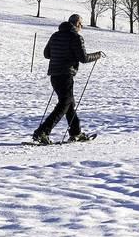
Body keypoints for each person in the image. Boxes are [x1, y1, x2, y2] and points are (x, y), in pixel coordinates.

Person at [32, 14, 103, 144]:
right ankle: (42, 132)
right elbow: (83, 58)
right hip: (66, 74)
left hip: (54, 75)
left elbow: (47, 54)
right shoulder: (76, 37)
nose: (81, 26)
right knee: (64, 104)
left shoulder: (55, 35)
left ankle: (76, 132)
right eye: (81, 24)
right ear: (76, 24)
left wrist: (60, 55)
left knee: (69, 104)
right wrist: (97, 55)